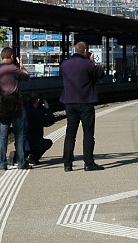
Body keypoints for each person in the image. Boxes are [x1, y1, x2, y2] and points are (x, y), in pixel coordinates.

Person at [60, 41, 105, 172]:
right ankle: (88, 163)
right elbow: (100, 74)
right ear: (86, 51)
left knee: (70, 134)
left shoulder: (65, 64)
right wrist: (93, 62)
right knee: (88, 133)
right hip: (86, 103)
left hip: (69, 103)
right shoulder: (88, 64)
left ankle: (67, 164)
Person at [0, 47, 30, 170]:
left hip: (2, 104)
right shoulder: (14, 69)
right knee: (19, 135)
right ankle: (21, 162)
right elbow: (27, 77)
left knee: (3, 135)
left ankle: (2, 163)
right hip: (16, 105)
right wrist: (22, 65)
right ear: (12, 56)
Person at [23, 94, 54, 164]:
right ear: (37, 100)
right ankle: (33, 158)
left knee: (25, 149)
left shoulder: (23, 110)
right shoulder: (37, 112)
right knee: (48, 143)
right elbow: (50, 121)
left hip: (21, 143)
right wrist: (47, 108)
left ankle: (17, 156)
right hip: (34, 143)